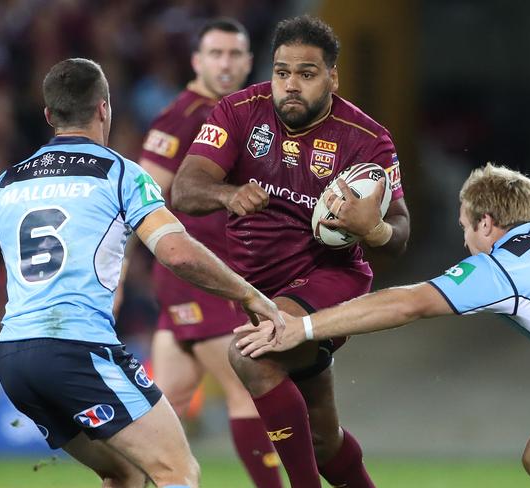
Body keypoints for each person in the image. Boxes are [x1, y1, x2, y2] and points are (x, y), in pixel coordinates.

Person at [236, 162, 530, 488]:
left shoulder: (503, 266)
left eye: (464, 227)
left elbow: (407, 303)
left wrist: (302, 327)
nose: (464, 242)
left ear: (487, 223)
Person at [0, 58, 283, 488]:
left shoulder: (5, 183)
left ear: (49, 115)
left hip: (13, 356)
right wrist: (249, 294)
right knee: (177, 471)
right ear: (104, 109)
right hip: (77, 348)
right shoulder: (119, 173)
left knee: (123, 472)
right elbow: (177, 253)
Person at [172, 14, 410, 488]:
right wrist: (227, 194)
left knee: (252, 355)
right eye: (282, 72)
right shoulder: (238, 112)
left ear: (332, 77)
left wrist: (375, 229)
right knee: (323, 441)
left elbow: (401, 233)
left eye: (307, 73)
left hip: (329, 279)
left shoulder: (366, 139)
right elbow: (183, 190)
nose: (291, 85)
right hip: (257, 287)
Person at [139, 18, 283, 487]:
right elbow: (144, 195)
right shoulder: (185, 115)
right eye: (216, 54)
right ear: (197, 61)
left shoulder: (238, 113)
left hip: (193, 278)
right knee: (248, 392)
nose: (226, 63)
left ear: (248, 61)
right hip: (203, 276)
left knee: (169, 404)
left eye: (235, 54)